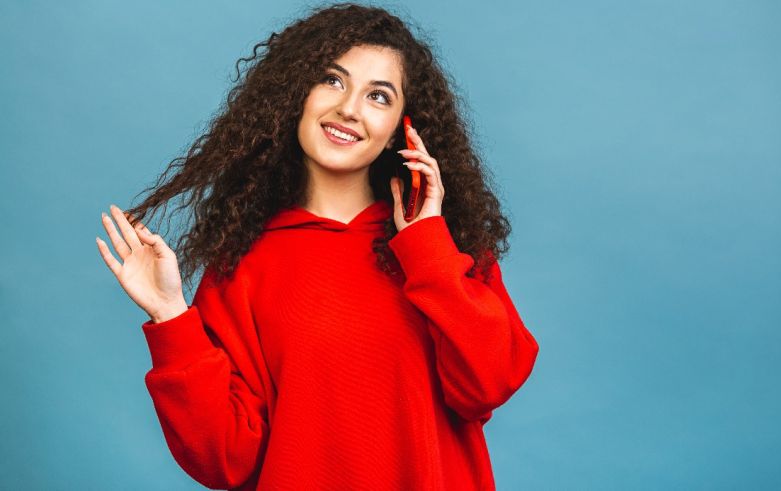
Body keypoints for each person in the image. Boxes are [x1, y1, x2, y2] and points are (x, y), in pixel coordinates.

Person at [95, 3, 539, 490]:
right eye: (332, 79)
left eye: (378, 96)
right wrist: (171, 317)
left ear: (401, 130)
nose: (349, 108)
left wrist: (427, 246)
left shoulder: (442, 250)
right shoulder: (242, 265)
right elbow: (225, 459)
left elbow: (488, 384)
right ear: (295, 94)